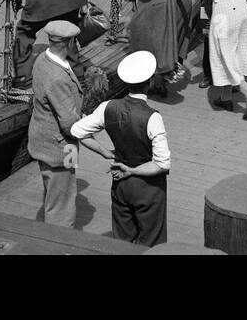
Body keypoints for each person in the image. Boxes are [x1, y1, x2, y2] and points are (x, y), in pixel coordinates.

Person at [70, 50, 171, 246]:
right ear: (149, 83)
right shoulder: (153, 117)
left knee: (121, 242)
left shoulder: (107, 107)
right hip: (148, 189)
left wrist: (106, 152)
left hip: (120, 185)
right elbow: (162, 164)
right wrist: (132, 170)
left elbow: (77, 131)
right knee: (151, 242)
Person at [27, 19, 88, 228]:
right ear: (69, 43)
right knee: (62, 204)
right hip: (61, 148)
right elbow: (69, 123)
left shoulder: (42, 60)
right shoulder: (57, 77)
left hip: (42, 139)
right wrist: (95, 133)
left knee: (53, 194)